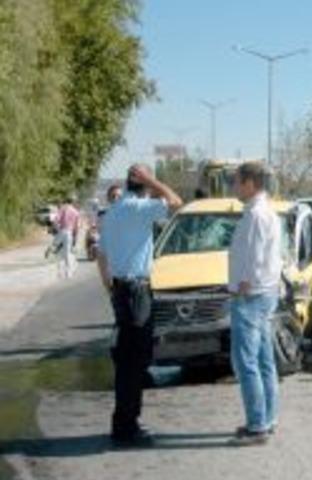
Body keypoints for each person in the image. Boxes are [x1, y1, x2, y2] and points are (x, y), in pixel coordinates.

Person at [97, 164, 183, 447]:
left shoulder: (111, 214)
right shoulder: (138, 209)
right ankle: (127, 426)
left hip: (122, 290)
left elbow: (102, 257)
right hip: (136, 291)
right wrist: (152, 179)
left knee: (126, 361)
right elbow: (175, 202)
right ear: (143, 185)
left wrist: (111, 289)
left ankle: (124, 421)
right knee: (135, 362)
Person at [228, 161, 284, 446]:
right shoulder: (266, 212)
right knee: (263, 360)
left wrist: (241, 289)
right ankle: (267, 418)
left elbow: (252, 258)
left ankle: (257, 425)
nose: (233, 186)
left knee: (245, 361)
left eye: (235, 181)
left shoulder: (255, 215)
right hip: (264, 293)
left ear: (250, 183)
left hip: (250, 296)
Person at [54, 195, 81, 278]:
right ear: (73, 202)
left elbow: (56, 220)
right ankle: (68, 273)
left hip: (62, 231)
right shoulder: (76, 212)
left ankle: (59, 272)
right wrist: (75, 239)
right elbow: (77, 227)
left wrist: (57, 229)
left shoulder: (63, 209)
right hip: (69, 233)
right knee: (68, 253)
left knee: (57, 251)